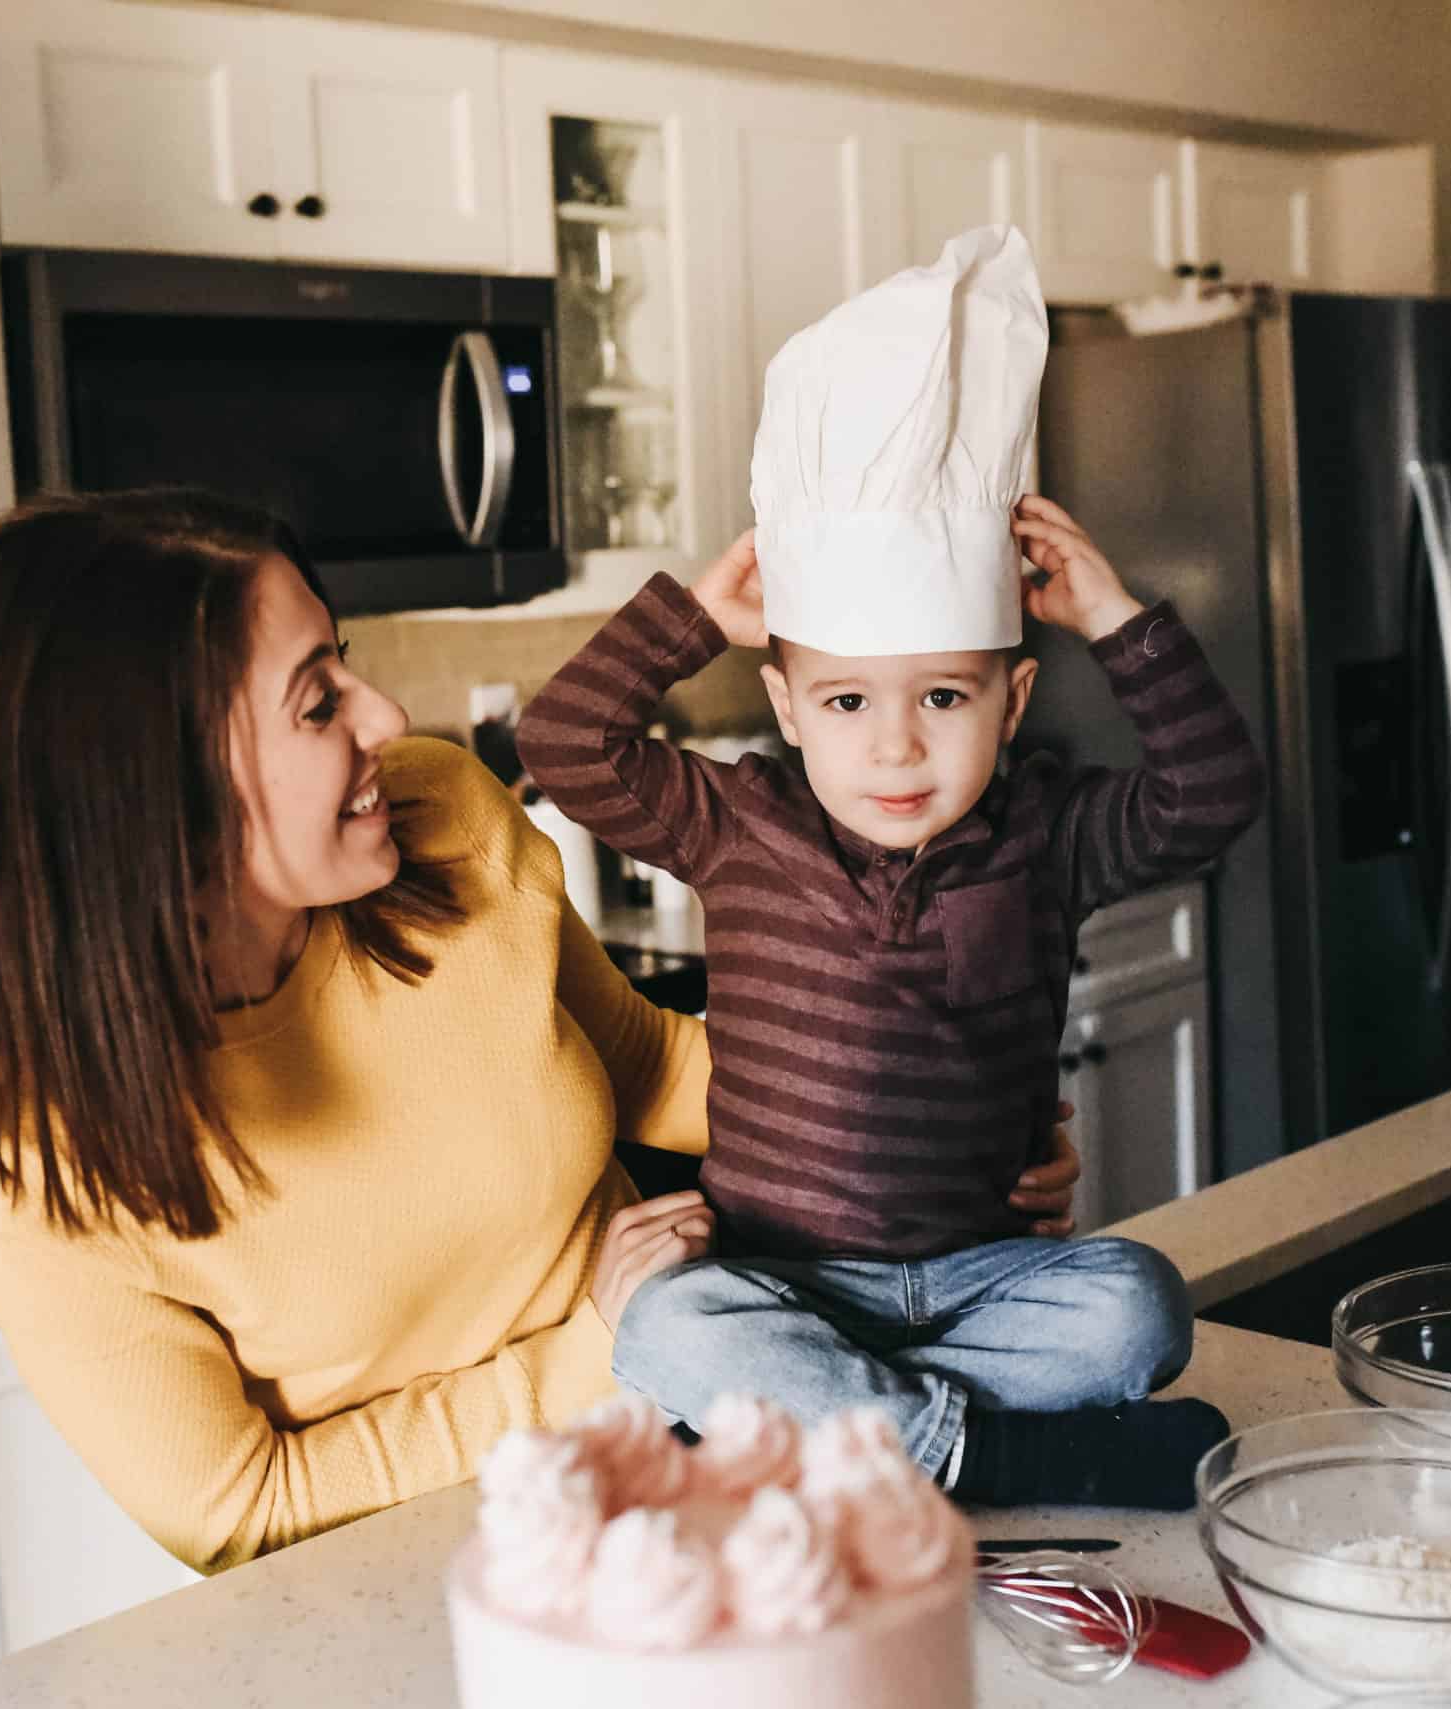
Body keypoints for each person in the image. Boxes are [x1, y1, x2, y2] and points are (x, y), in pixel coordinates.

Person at [0, 487, 1084, 1571]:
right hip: (428, 1581)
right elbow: (240, 1507)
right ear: (150, 793)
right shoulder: (34, 1154)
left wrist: (940, 1120)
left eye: (345, 663)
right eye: (319, 701)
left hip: (714, 1459)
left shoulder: (441, 816)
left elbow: (643, 1063)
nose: (388, 715)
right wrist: (603, 1345)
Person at [517, 228, 1265, 1509]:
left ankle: (833, 1427)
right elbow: (562, 744)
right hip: (785, 1279)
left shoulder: (1049, 832)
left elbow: (1212, 794)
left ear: (1016, 696)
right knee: (666, 1327)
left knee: (1136, 1306)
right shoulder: (735, 822)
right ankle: (988, 1454)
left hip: (982, 1275)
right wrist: (688, 617)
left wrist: (1122, 624)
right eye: (849, 699)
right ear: (788, 705)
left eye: (944, 696)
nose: (897, 743)